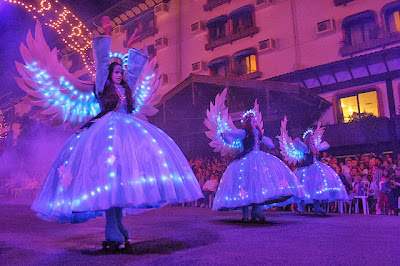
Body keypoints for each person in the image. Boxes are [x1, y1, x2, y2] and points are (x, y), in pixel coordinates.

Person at [31, 16, 203, 250]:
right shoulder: (102, 86)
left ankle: (117, 226)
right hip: (106, 132)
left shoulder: (124, 88)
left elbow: (133, 71)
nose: (120, 74)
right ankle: (113, 230)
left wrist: (133, 47)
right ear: (110, 73)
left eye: (121, 72)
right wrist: (107, 35)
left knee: (121, 182)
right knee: (110, 181)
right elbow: (102, 63)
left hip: (127, 128)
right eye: (117, 71)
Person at [213, 113, 304, 222]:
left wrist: (271, 143)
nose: (255, 123)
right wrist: (226, 134)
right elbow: (236, 134)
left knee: (256, 185)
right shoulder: (245, 132)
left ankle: (255, 210)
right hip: (247, 159)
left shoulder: (258, 134)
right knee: (246, 185)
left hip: (257, 158)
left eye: (256, 121)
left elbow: (265, 140)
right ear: (248, 123)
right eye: (253, 121)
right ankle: (245, 213)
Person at [287, 125, 348, 216]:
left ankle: (316, 206)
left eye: (313, 138)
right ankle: (301, 207)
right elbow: (302, 146)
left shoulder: (314, 148)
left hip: (315, 168)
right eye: (311, 139)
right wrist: (298, 141)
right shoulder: (307, 148)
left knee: (316, 187)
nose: (313, 140)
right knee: (306, 188)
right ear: (308, 140)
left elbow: (325, 145)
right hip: (308, 169)